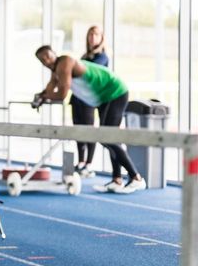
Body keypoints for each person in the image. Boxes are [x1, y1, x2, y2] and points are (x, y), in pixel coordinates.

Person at [33, 45, 146, 194]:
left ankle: (136, 177)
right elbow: (49, 89)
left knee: (107, 137)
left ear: (54, 53)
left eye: (47, 56)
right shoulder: (56, 71)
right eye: (42, 60)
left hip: (115, 91)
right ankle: (117, 179)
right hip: (103, 97)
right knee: (109, 138)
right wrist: (41, 96)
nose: (46, 60)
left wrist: (44, 97)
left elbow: (61, 95)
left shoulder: (65, 62)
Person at [71, 26, 108, 178]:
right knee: (78, 129)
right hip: (77, 98)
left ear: (101, 38)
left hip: (89, 99)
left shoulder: (103, 57)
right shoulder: (84, 56)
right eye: (90, 34)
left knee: (89, 130)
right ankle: (80, 161)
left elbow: (89, 74)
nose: (92, 37)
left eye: (96, 35)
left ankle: (88, 163)